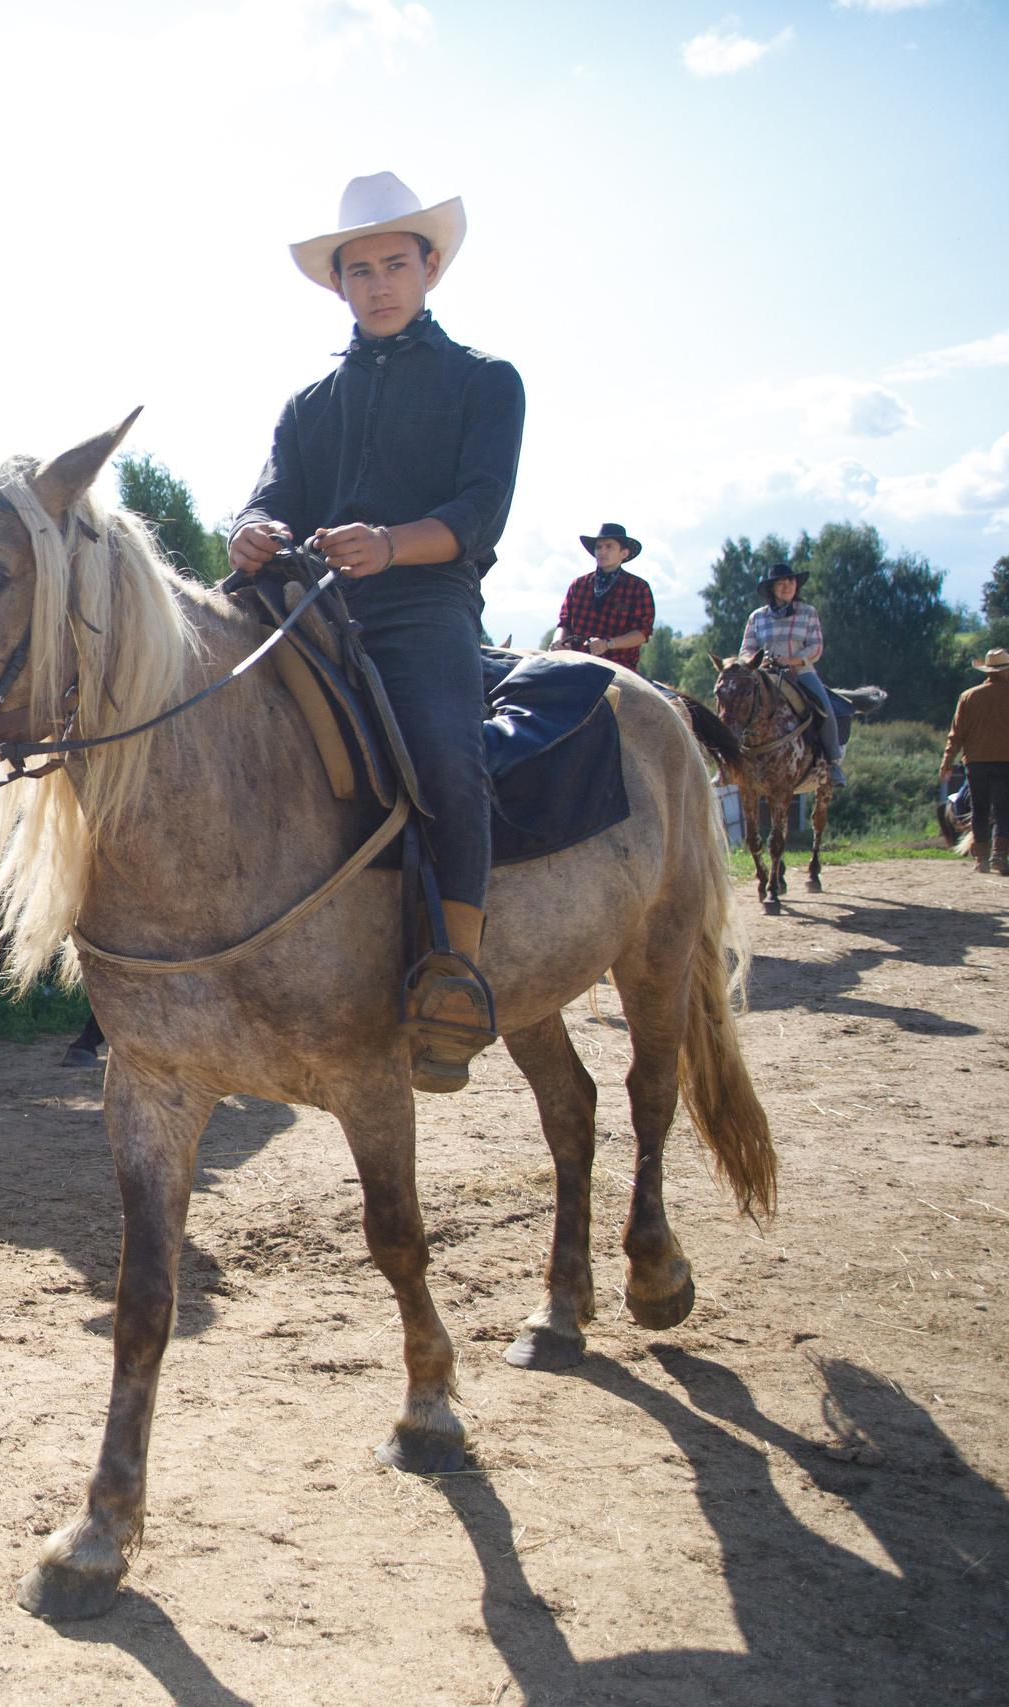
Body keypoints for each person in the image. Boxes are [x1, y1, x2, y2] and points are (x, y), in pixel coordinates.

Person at [227, 172, 526, 1094]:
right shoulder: (307, 405)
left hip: (423, 605)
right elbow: (272, 497)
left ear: (430, 267)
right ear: (338, 285)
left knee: (445, 751)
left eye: (397, 263)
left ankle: (455, 975)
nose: (381, 283)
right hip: (307, 603)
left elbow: (480, 511)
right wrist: (251, 531)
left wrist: (393, 544)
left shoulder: (486, 382)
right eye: (361, 270)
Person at [739, 563, 845, 786]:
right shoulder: (757, 617)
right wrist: (758, 661)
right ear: (772, 589)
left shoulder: (808, 612)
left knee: (824, 708)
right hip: (765, 674)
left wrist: (792, 659)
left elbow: (816, 646)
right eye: (781, 583)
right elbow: (746, 650)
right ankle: (729, 762)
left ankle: (833, 762)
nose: (787, 586)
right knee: (735, 704)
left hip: (800, 671)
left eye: (791, 582)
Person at [942, 648, 1009, 873]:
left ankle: (981, 860)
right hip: (1006, 762)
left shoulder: (968, 696)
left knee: (979, 809)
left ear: (987, 671)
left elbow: (956, 734)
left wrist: (947, 762)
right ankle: (999, 856)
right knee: (1004, 810)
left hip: (976, 763)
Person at [556, 523, 655, 673]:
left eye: (609, 547)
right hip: (575, 663)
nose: (602, 552)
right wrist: (557, 641)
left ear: (624, 553)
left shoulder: (638, 588)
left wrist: (608, 644)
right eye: (598, 547)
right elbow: (564, 623)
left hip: (619, 669)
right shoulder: (579, 585)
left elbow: (642, 633)